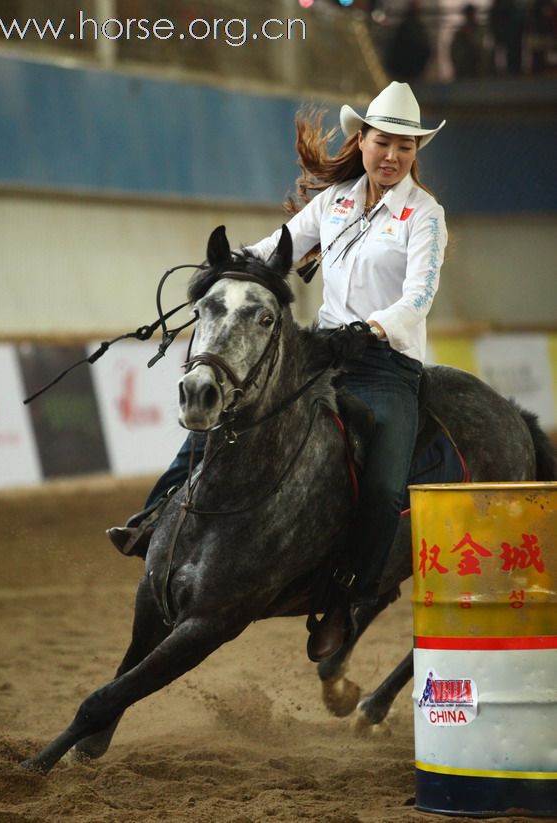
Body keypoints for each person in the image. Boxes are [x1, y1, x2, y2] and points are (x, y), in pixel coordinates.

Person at [108, 82, 448, 661]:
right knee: (223, 417)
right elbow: (272, 251)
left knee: (387, 486)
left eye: (406, 147)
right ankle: (153, 516)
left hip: (386, 364)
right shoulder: (335, 202)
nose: (392, 156)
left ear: (415, 153)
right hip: (320, 353)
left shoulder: (425, 216)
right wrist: (224, 278)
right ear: (361, 140)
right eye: (383, 142)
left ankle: (344, 599)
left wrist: (368, 329)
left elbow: (418, 298)